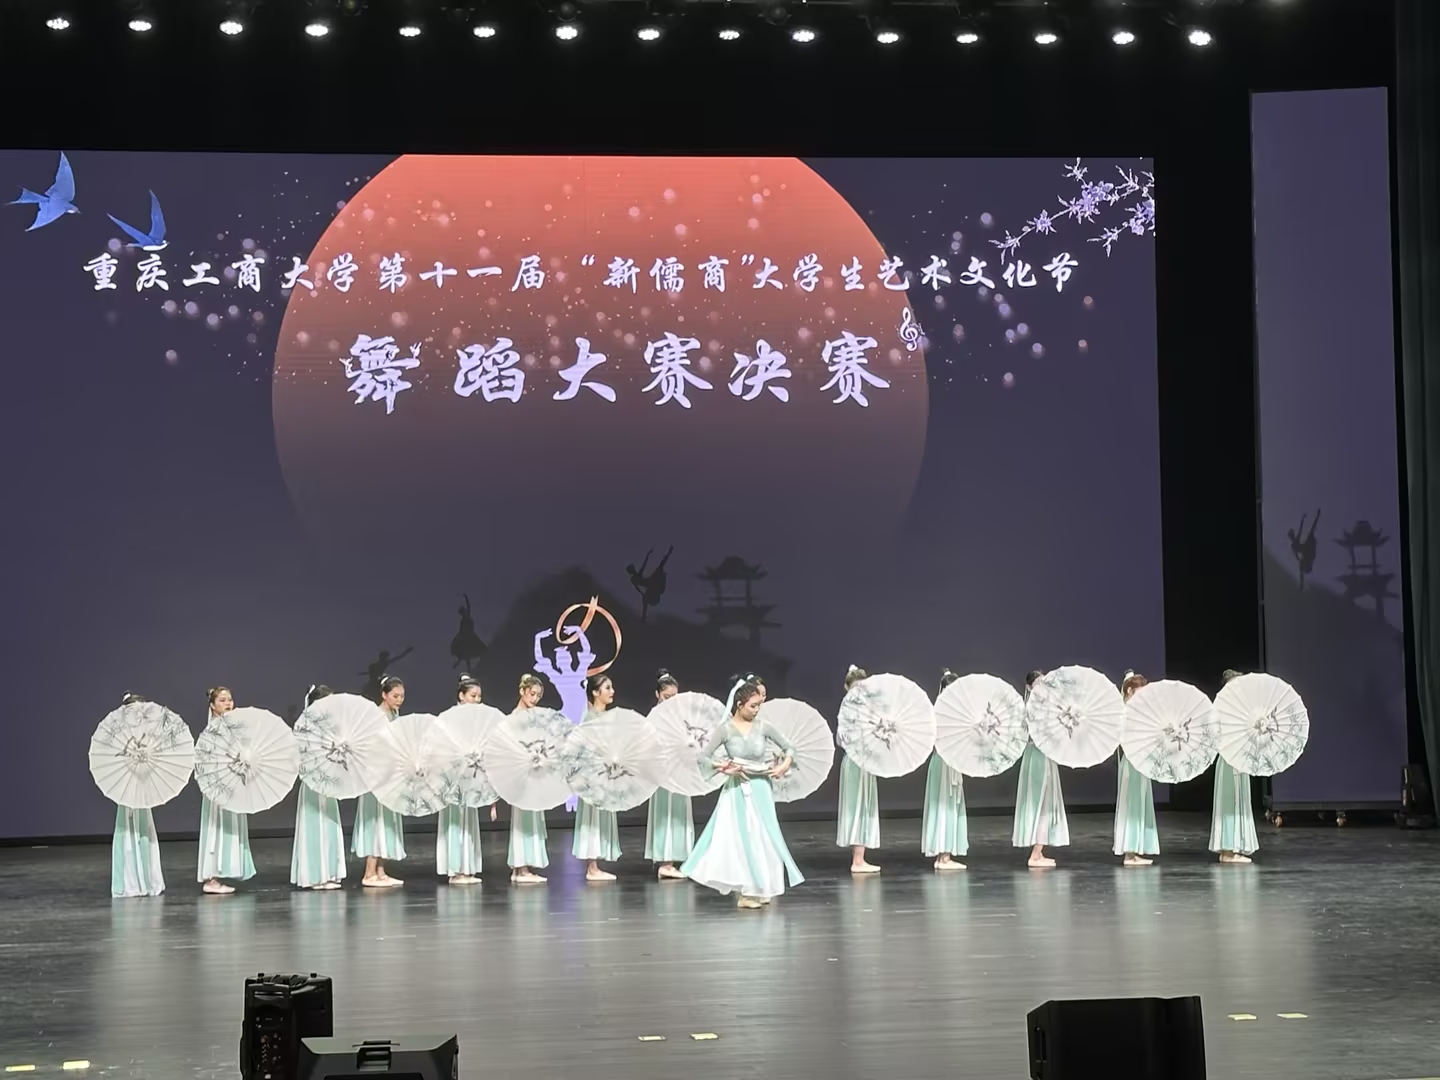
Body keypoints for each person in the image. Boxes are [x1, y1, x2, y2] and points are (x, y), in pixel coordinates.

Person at [681, 677, 803, 908]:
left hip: (761, 787)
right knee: (741, 838)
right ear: (739, 704)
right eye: (753, 705)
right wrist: (724, 767)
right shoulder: (726, 730)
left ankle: (763, 887)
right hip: (737, 789)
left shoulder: (763, 727)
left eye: (758, 705)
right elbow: (703, 757)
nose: (757, 710)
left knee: (764, 836)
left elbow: (789, 748)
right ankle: (746, 892)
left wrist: (784, 765)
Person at [437, 675, 496, 885]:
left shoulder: (477, 721)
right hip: (454, 777)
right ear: (461, 696)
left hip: (470, 776)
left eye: (479, 696)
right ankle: (455, 869)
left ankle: (467, 868)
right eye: (473, 696)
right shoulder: (448, 718)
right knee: (455, 820)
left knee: (468, 819)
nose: (477, 700)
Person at [196, 686, 256, 894]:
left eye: (229, 699)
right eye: (222, 700)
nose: (228, 703)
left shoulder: (232, 727)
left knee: (228, 826)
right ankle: (211, 878)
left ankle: (219, 874)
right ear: (212, 706)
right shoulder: (212, 730)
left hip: (232, 783)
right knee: (216, 828)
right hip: (218, 785)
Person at [352, 675, 406, 887]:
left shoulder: (394, 715)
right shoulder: (375, 716)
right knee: (376, 820)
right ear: (384, 695)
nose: (399, 700)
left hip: (390, 775)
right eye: (395, 696)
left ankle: (381, 871)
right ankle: (369, 873)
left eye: (402, 696)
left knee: (387, 821)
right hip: (376, 776)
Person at [291, 684, 346, 890]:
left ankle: (330, 872)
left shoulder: (333, 726)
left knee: (330, 825)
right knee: (314, 827)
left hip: (329, 780)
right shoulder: (305, 727)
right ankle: (314, 875)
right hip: (313, 781)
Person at [1012, 669, 1070, 868]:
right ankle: (1035, 853)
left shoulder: (1046, 706)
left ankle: (1038, 851)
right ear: (1029, 687)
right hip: (1037, 756)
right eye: (1037, 684)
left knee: (1045, 803)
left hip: (1044, 755)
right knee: (1040, 802)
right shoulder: (1030, 708)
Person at [111, 693, 165, 898]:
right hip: (127, 786)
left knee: (145, 829)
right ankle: (129, 882)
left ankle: (148, 880)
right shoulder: (119, 736)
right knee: (127, 829)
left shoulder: (148, 735)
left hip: (142, 786)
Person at [645, 669, 693, 880]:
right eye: (667, 697)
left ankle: (677, 857)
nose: (671, 701)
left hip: (679, 769)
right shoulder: (654, 717)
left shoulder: (679, 716)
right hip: (663, 771)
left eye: (675, 696)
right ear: (657, 694)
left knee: (679, 813)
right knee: (666, 814)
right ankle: (665, 861)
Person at [573, 674, 622, 882]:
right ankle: (591, 867)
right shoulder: (590, 719)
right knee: (591, 818)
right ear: (595, 692)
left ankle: (595, 866)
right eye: (607, 688)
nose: (612, 691)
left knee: (600, 816)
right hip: (593, 775)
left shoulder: (606, 717)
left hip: (605, 774)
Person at [1211, 668, 1260, 863]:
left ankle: (1229, 849)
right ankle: (1229, 851)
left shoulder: (1236, 709)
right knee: (1231, 803)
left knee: (1233, 802)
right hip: (1231, 759)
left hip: (1236, 759)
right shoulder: (1224, 709)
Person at [836, 665, 881, 874]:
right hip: (855, 762)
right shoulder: (847, 709)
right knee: (857, 807)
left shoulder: (867, 709)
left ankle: (860, 858)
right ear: (847, 688)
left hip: (865, 762)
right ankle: (857, 860)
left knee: (863, 806)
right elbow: (840, 739)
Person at [922, 670, 968, 870]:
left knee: (947, 805)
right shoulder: (940, 712)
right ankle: (943, 856)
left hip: (948, 762)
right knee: (944, 805)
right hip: (944, 762)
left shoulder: (949, 711)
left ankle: (944, 854)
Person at [1114, 671, 1159, 866]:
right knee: (1132, 806)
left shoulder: (1138, 712)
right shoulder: (1125, 713)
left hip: (1140, 762)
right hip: (1133, 762)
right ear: (1130, 691)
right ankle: (1130, 852)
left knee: (1138, 805)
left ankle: (1135, 850)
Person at [507, 674, 549, 884]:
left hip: (533, 772)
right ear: (522, 691)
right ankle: (521, 868)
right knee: (522, 820)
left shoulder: (534, 718)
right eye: (532, 694)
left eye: (538, 696)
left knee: (531, 818)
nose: (535, 699)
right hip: (521, 774)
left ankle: (521, 868)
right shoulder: (514, 718)